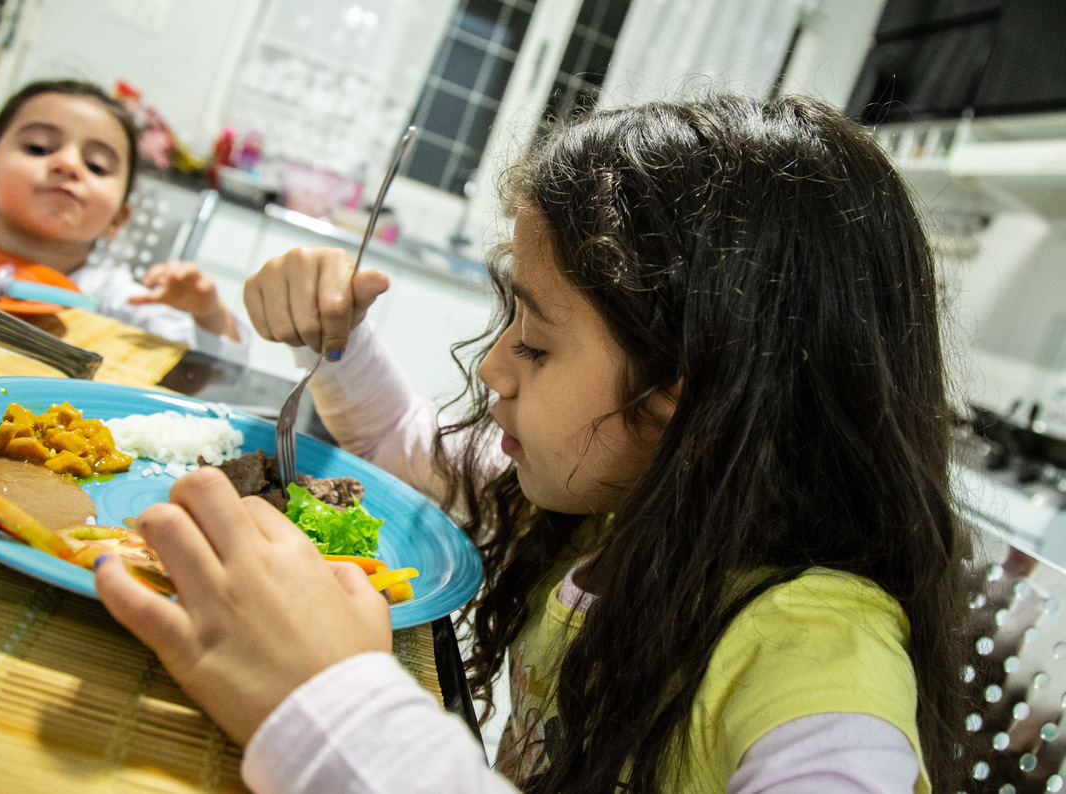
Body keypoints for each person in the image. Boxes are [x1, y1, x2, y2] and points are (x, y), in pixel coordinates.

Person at [94, 94, 973, 793]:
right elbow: (402, 446)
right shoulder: (616, 508)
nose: (495, 368)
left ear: (681, 389)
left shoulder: (819, 664)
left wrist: (347, 715)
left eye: (538, 344)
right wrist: (333, 337)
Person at [0, 79, 248, 360]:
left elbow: (215, 361)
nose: (69, 164)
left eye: (96, 166)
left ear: (117, 218)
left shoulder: (116, 301)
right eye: (39, 148)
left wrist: (209, 315)